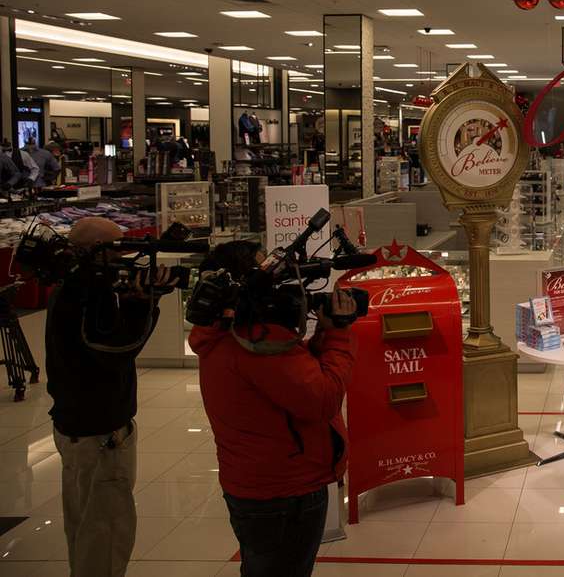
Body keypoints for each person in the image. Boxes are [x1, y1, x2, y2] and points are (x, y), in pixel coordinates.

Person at [189, 240, 357, 577]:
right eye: (268, 271)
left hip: (255, 482)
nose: (279, 279)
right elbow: (321, 399)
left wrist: (320, 338)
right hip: (286, 489)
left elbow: (290, 380)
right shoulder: (256, 343)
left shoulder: (225, 333)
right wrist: (339, 336)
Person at [47, 217, 170, 577]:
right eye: (116, 248)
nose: (124, 257)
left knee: (86, 527)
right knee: (104, 534)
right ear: (95, 253)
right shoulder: (87, 294)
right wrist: (142, 305)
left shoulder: (73, 286)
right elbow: (117, 350)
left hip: (80, 426)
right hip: (99, 435)